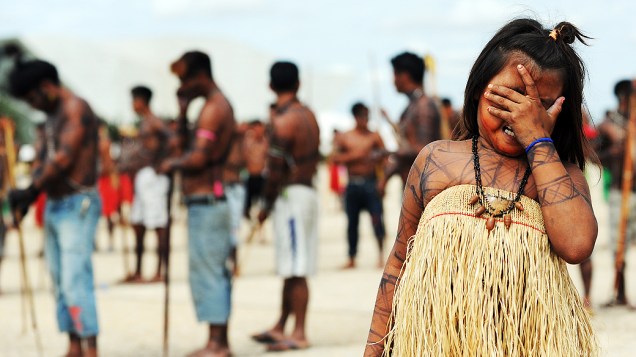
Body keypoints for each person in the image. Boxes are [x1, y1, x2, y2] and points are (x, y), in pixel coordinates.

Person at [365, 19, 598, 356]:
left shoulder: (562, 176)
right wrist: (373, 350)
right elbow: (398, 261)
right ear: (478, 90)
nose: (520, 115)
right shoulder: (437, 160)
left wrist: (538, 141)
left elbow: (576, 246)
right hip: (440, 343)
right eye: (509, 97)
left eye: (539, 106)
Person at [8, 59, 102, 357]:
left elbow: (63, 158)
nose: (33, 106)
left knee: (76, 280)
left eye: (33, 98)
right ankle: (73, 344)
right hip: (55, 204)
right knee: (60, 282)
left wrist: (32, 189)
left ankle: (90, 349)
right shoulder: (49, 117)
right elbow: (43, 161)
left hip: (79, 203)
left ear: (46, 88)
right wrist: (27, 197)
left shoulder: (75, 108)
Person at [159, 50, 235, 357]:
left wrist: (172, 165)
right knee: (208, 270)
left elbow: (199, 156)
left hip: (209, 199)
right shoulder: (206, 107)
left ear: (198, 75)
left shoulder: (214, 108)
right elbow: (182, 143)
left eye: (183, 80)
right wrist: (182, 111)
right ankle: (216, 340)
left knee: (210, 271)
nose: (181, 86)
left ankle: (218, 343)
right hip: (203, 201)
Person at [251, 61, 320, 352]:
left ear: (270, 86)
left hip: (291, 196)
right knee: (291, 263)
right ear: (298, 84)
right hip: (305, 192)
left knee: (297, 265)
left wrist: (265, 205)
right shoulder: (308, 116)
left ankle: (300, 332)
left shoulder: (282, 122)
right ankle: (281, 324)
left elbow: (275, 171)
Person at [123, 85, 171, 283]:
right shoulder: (144, 123)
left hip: (154, 176)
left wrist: (163, 163)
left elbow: (171, 139)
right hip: (143, 176)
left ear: (141, 101)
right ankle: (138, 271)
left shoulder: (154, 122)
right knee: (138, 223)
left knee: (158, 223)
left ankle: (160, 271)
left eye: (134, 100)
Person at [331, 102, 387, 269]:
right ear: (355, 117)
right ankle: (352, 257)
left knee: (377, 220)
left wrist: (383, 180)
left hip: (371, 183)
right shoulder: (345, 137)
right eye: (363, 116)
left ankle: (381, 255)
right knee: (352, 223)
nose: (366, 120)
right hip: (353, 184)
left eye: (367, 116)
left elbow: (385, 158)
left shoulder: (374, 136)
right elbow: (334, 158)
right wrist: (357, 155)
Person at [597, 79, 635, 308]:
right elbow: (594, 155)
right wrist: (615, 152)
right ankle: (619, 293)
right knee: (618, 244)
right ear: (624, 98)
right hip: (620, 192)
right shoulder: (609, 125)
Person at [381, 51, 440, 189]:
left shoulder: (423, 106)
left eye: (395, 75)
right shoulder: (412, 106)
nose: (393, 80)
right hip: (412, 188)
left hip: (424, 188)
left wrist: (388, 152)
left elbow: (425, 150)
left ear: (404, 76)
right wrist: (386, 177)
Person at [223, 122, 247, 276]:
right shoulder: (223, 146)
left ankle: (233, 263)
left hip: (234, 188)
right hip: (226, 188)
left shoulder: (240, 147)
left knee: (232, 230)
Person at [96, 122, 119, 252]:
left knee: (110, 214)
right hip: (97, 181)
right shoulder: (91, 143)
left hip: (106, 180)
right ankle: (95, 242)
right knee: (96, 213)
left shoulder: (106, 143)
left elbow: (110, 164)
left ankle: (111, 241)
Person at [243, 119, 268, 220]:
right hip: (249, 177)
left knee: (262, 205)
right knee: (246, 206)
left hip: (262, 177)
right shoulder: (247, 142)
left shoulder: (266, 143)